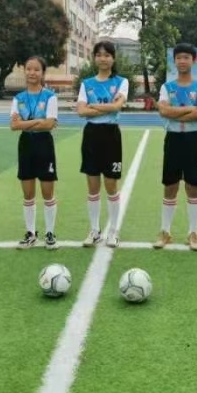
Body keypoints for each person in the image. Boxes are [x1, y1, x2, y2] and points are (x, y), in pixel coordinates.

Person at [153, 43, 197, 251]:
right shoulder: (167, 87)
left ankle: (193, 233)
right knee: (170, 185)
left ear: (193, 60)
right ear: (174, 61)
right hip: (173, 139)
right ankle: (165, 232)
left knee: (193, 186)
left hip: (192, 139)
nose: (182, 61)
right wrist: (189, 109)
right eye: (179, 58)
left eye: (186, 57)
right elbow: (163, 112)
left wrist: (174, 111)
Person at [76, 41, 129, 248]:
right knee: (92, 186)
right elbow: (81, 111)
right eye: (99, 55)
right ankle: (95, 230)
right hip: (91, 135)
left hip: (111, 135)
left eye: (107, 55)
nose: (103, 58)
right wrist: (106, 107)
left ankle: (114, 231)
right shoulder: (86, 84)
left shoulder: (121, 82)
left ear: (113, 58)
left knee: (111, 185)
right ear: (94, 58)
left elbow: (117, 107)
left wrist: (93, 106)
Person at [11, 56, 59, 250]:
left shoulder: (50, 96)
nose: (32, 72)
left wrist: (26, 123)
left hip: (44, 144)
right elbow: (14, 126)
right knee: (28, 193)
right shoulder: (18, 98)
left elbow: (49, 124)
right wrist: (37, 121)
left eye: (36, 69)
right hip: (26, 144)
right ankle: (31, 233)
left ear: (43, 73)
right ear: (25, 71)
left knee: (47, 192)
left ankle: (50, 233)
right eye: (29, 69)